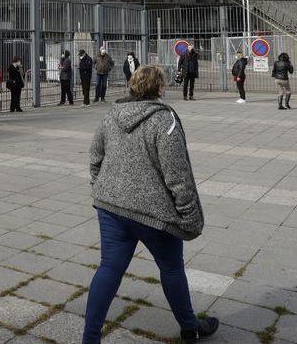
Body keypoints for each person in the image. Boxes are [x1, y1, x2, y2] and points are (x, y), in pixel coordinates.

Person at [84, 65, 219, 344]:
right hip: (154, 214)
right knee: (171, 269)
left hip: (111, 206)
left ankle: (90, 339)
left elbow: (95, 156)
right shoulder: (164, 120)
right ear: (159, 89)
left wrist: (101, 186)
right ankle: (189, 327)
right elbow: (178, 175)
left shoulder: (111, 114)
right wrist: (189, 215)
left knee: (109, 268)